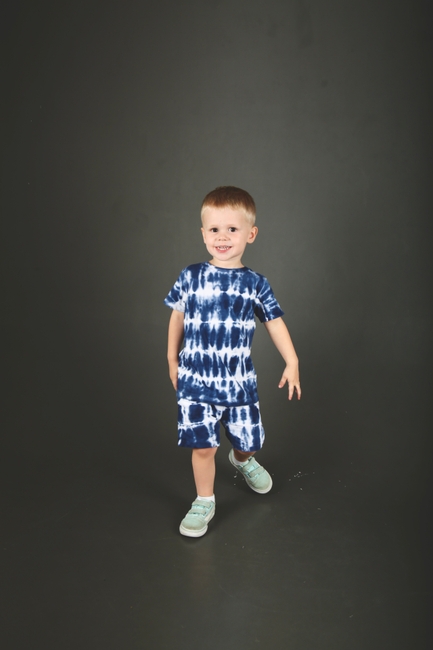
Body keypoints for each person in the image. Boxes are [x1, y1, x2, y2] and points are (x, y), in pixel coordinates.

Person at [164, 186, 301, 537]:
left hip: (238, 382)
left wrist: (292, 360)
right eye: (214, 229)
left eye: (232, 229)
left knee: (249, 442)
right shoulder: (191, 276)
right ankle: (204, 500)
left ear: (250, 234)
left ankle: (242, 460)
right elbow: (177, 315)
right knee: (204, 446)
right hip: (196, 379)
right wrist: (171, 357)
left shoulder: (255, 283)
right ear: (203, 233)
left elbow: (274, 322)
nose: (222, 237)